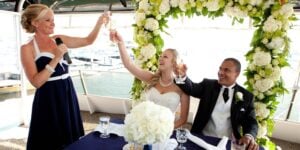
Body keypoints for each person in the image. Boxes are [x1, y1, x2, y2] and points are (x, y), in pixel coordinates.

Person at [20, 4, 110, 150]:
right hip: (48, 96)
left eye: (53, 19)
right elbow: (36, 82)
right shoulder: (27, 48)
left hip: (67, 90)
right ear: (35, 23)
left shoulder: (59, 39)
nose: (53, 23)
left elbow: (88, 40)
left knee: (71, 137)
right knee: (50, 138)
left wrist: (99, 22)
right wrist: (56, 58)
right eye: (48, 20)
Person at [109, 31, 190, 129]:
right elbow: (128, 64)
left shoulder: (182, 86)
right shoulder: (152, 78)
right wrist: (120, 43)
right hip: (145, 128)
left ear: (174, 62)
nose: (160, 58)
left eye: (165, 56)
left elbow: (183, 119)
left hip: (166, 132)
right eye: (160, 56)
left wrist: (164, 130)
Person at [175, 58, 259, 150]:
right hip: (202, 137)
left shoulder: (247, 96)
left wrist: (249, 136)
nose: (221, 72)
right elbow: (191, 88)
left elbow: (251, 121)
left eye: (226, 70)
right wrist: (181, 76)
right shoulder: (208, 85)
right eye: (220, 69)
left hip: (228, 143)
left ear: (237, 74)